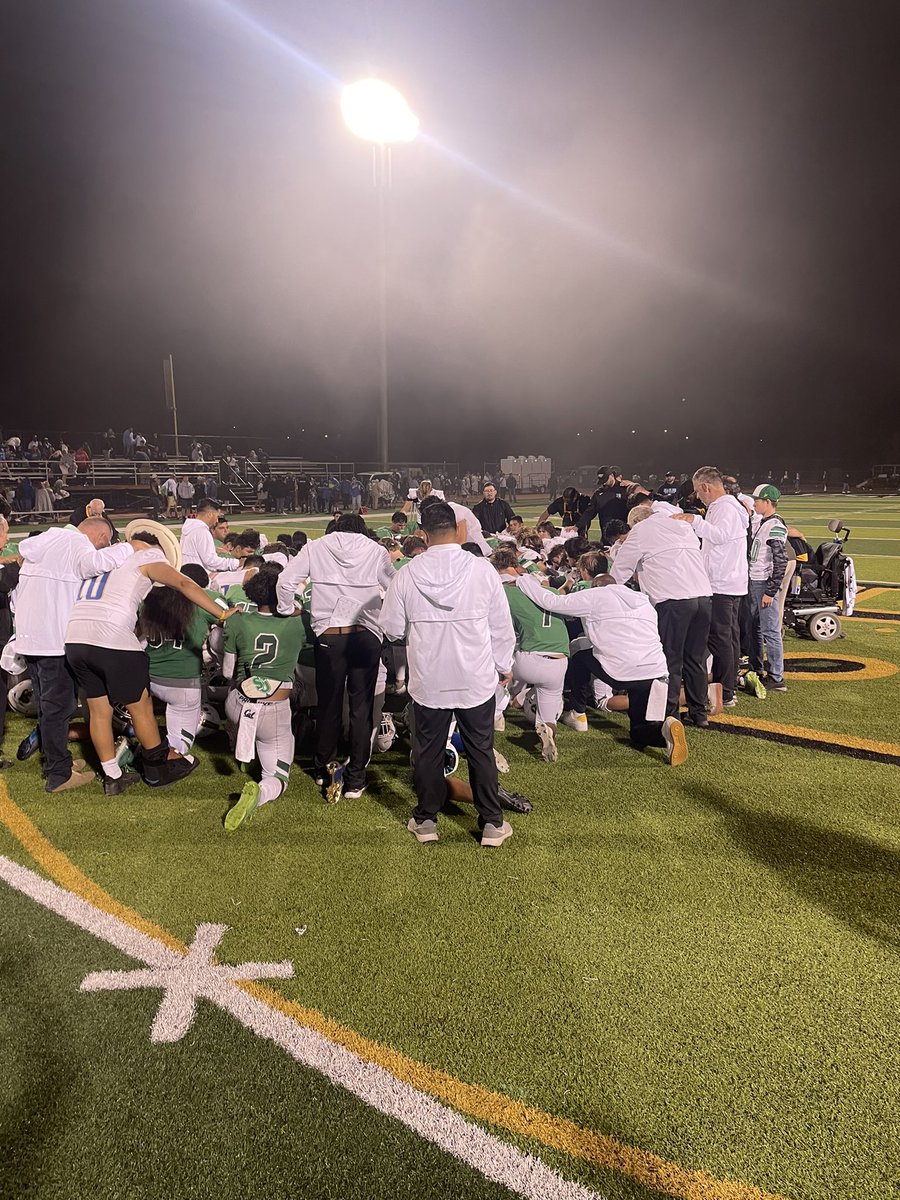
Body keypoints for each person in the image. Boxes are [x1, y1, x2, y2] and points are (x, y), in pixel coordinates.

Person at [380, 500, 516, 847]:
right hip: (475, 677)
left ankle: (426, 821)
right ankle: (491, 824)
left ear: (422, 534)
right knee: (481, 751)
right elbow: (502, 627)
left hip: (430, 679)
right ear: (457, 531)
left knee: (428, 752)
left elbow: (392, 628)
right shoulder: (482, 570)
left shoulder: (408, 573)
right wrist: (503, 666)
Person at [65, 529, 234, 794]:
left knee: (99, 709)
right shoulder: (148, 554)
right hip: (112, 637)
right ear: (155, 546)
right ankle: (157, 770)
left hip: (75, 637)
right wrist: (222, 613)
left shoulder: (105, 556)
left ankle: (112, 776)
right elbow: (184, 584)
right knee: (140, 705)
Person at [276, 512, 394, 801]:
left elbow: (285, 582)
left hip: (330, 635)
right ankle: (355, 778)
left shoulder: (316, 546)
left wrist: (286, 608)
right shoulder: (374, 549)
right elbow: (396, 585)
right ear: (362, 529)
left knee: (328, 705)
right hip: (365, 634)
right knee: (361, 708)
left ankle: (323, 769)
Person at [516, 570, 688, 765]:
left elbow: (552, 602)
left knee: (578, 652)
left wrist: (526, 581)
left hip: (620, 671)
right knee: (638, 734)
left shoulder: (595, 595)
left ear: (595, 585)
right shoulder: (642, 599)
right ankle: (665, 728)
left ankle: (577, 713)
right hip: (655, 671)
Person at [14, 517, 134, 792]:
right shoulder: (76, 544)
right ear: (101, 536)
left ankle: (57, 761)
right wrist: (129, 548)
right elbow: (95, 564)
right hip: (53, 642)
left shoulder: (49, 539)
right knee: (59, 709)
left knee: (47, 707)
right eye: (105, 543)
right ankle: (58, 774)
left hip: (31, 638)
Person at [611, 503, 714, 727]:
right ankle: (699, 713)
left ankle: (670, 715)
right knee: (696, 659)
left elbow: (619, 571)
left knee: (670, 661)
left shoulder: (640, 530)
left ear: (635, 523)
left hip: (673, 601)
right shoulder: (680, 526)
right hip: (704, 599)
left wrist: (606, 593)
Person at [222, 565, 307, 829]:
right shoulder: (298, 622)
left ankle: (243, 751)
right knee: (277, 777)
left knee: (241, 709)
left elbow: (227, 672)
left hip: (237, 705)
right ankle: (259, 794)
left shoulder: (236, 619)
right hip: (273, 708)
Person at [672, 466, 749, 709]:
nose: (697, 496)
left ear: (706, 486)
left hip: (723, 582)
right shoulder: (728, 505)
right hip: (730, 580)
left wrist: (694, 520)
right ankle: (726, 686)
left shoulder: (725, 506)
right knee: (729, 637)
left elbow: (721, 535)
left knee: (721, 638)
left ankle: (725, 691)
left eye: (697, 490)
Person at [491, 546, 569, 762]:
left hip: (527, 658)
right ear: (515, 567)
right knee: (548, 712)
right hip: (558, 661)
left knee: (497, 666)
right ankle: (548, 730)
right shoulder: (549, 592)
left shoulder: (503, 592)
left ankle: (498, 715)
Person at [143, 569, 220, 754]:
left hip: (146, 675)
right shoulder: (206, 598)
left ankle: (132, 738)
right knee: (180, 747)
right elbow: (232, 623)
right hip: (183, 682)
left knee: (141, 718)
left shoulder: (148, 598)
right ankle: (145, 754)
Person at [747, 484, 788, 692]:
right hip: (755, 581)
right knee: (755, 628)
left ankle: (776, 677)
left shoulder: (774, 525)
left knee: (771, 631)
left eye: (757, 500)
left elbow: (781, 561)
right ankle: (757, 668)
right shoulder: (763, 522)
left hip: (763, 583)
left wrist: (770, 591)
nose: (754, 503)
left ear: (767, 502)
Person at [181, 500, 235, 575]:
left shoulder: (190, 528)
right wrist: (236, 563)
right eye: (217, 516)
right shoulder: (202, 531)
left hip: (188, 573)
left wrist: (213, 550)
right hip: (198, 577)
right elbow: (211, 561)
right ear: (210, 514)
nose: (216, 520)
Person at [576, 468, 631, 539]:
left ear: (611, 475)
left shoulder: (625, 489)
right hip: (606, 536)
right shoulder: (598, 493)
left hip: (624, 535)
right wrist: (577, 526)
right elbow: (590, 511)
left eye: (605, 480)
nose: (604, 483)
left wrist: (635, 486)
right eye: (602, 481)